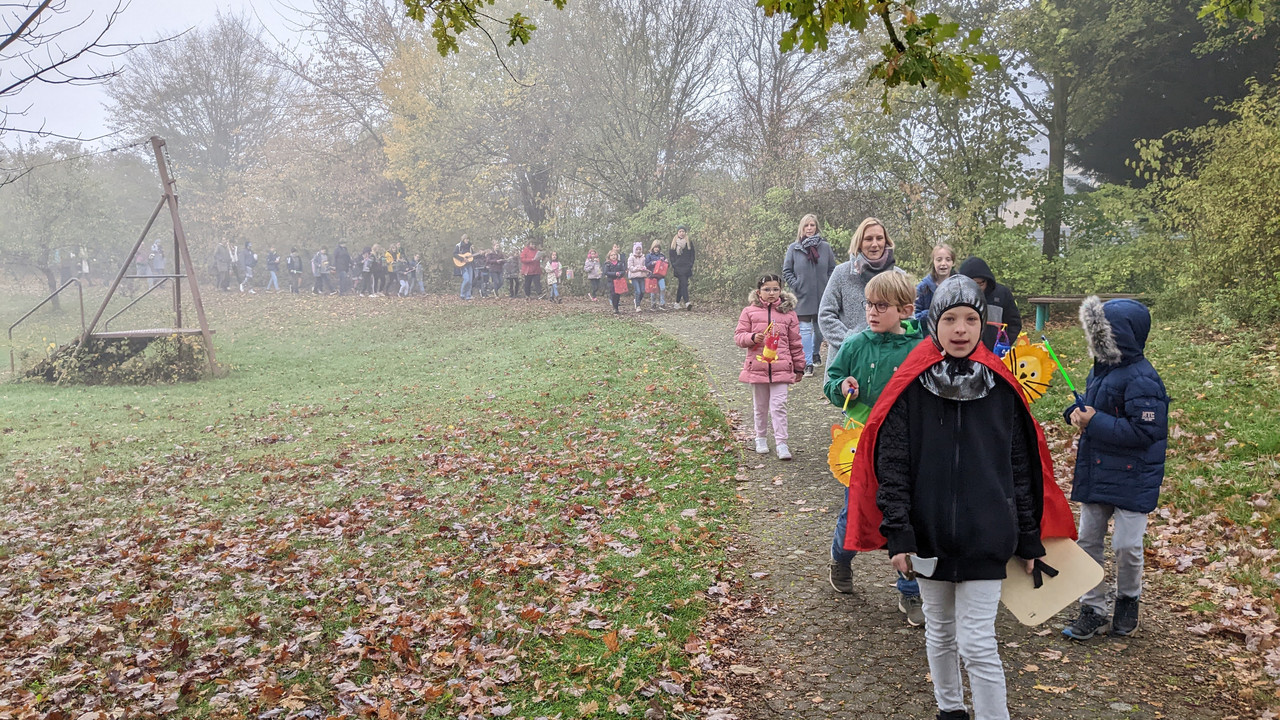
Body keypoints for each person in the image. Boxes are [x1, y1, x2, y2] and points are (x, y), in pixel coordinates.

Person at [843, 275, 1076, 720]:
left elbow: (1022, 467)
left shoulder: (1002, 388)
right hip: (928, 536)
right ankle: (950, 711)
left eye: (971, 318)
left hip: (988, 535)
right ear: (934, 321)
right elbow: (892, 464)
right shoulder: (910, 387)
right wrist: (900, 532)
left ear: (983, 323)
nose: (961, 329)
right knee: (940, 633)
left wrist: (1029, 536)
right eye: (950, 318)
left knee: (978, 642)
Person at [1061, 297, 1170, 641]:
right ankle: (1091, 606)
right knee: (1088, 540)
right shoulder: (1100, 369)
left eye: (1102, 334)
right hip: (1096, 471)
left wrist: (1095, 422)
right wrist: (1075, 414)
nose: (1096, 342)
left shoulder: (1144, 379)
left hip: (1134, 477)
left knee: (1126, 545)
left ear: (1122, 336)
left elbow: (1146, 431)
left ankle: (1127, 600)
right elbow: (1093, 408)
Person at [822, 272, 926, 624]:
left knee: (906, 514)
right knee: (856, 511)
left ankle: (910, 592)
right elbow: (831, 381)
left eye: (881, 305)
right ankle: (842, 559)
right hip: (861, 442)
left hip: (905, 446)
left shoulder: (919, 348)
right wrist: (842, 386)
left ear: (906, 309)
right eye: (868, 304)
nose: (872, 311)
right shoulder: (855, 344)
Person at [734, 274, 806, 460]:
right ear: (759, 292)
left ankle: (782, 442)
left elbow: (795, 342)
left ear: (781, 290)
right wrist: (751, 338)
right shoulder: (749, 312)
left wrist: (799, 367)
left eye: (775, 289)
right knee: (760, 406)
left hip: (781, 367)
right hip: (758, 366)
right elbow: (739, 336)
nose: (771, 293)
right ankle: (761, 437)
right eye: (767, 289)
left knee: (779, 405)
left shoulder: (789, 314)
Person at [818, 217, 905, 356]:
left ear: (886, 241)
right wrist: (852, 342)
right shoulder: (842, 273)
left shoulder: (899, 276)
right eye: (869, 239)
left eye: (879, 238)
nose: (875, 244)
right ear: (859, 243)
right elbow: (825, 315)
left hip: (888, 357)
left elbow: (909, 317)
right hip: (847, 359)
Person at [783, 213, 839, 377]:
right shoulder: (794, 248)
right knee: (805, 329)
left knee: (820, 330)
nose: (809, 228)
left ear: (816, 227)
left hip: (823, 295)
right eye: (806, 225)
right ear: (802, 228)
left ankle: (815, 353)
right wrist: (796, 284)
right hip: (803, 295)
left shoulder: (825, 247)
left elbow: (832, 270)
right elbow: (787, 271)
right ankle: (807, 363)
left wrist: (829, 286)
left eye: (812, 225)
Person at [956, 257, 1021, 351]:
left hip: (994, 352)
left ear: (987, 280)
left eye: (979, 284)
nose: (975, 288)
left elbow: (1014, 323)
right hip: (965, 352)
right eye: (971, 284)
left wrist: (1002, 344)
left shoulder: (1002, 294)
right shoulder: (956, 296)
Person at [914, 244, 955, 328]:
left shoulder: (959, 286)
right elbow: (913, 317)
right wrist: (931, 313)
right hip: (928, 335)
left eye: (948, 260)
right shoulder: (923, 287)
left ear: (953, 262)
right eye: (939, 260)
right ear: (933, 262)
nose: (943, 263)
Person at [670, 225, 696, 310]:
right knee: (684, 283)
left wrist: (690, 264)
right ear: (677, 233)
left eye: (683, 231)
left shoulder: (689, 242)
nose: (681, 233)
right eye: (680, 231)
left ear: (685, 233)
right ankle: (687, 302)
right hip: (678, 267)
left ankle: (677, 303)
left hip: (686, 267)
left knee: (682, 284)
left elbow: (692, 254)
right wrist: (674, 264)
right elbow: (671, 255)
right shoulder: (674, 243)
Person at [644, 241, 668, 310]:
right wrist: (652, 263)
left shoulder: (662, 255)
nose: (656, 249)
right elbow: (646, 265)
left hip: (661, 275)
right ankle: (653, 304)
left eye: (658, 247)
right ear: (653, 247)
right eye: (655, 247)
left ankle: (662, 303)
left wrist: (666, 262)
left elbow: (666, 266)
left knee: (663, 288)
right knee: (653, 290)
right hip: (652, 275)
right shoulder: (649, 255)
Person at [627, 242, 648, 313]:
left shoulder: (643, 257)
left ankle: (637, 300)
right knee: (638, 291)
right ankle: (638, 305)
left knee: (642, 291)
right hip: (634, 276)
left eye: (640, 249)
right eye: (637, 249)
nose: (638, 251)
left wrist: (644, 268)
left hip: (642, 276)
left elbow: (645, 265)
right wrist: (638, 268)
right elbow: (630, 268)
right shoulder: (631, 258)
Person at [604, 249, 627, 315]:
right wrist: (614, 273)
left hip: (618, 280)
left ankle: (616, 306)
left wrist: (620, 273)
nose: (613, 256)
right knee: (613, 294)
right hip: (611, 281)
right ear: (609, 257)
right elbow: (606, 272)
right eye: (612, 255)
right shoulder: (607, 264)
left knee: (618, 294)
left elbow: (623, 271)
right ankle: (615, 307)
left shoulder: (620, 263)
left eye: (615, 255)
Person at [455, 234, 475, 300]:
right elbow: (454, 254)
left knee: (470, 281)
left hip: (470, 265)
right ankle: (462, 294)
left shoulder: (470, 247)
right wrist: (462, 259)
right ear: (463, 239)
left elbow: (473, 256)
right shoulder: (458, 246)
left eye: (468, 239)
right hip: (462, 265)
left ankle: (468, 296)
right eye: (466, 239)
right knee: (466, 279)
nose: (467, 240)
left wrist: (479, 253)